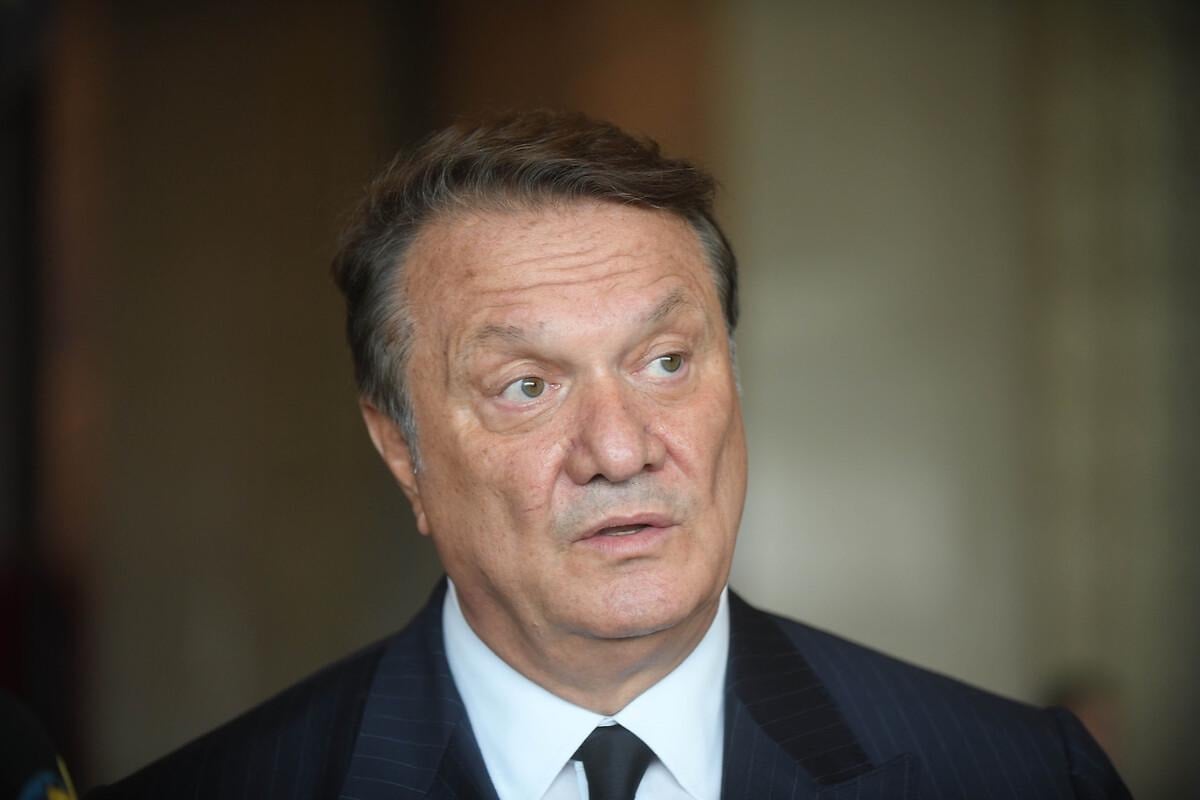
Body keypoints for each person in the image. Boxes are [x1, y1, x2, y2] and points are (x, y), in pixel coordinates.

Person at [88, 111, 1129, 799]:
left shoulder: (1022, 775)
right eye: (528, 386)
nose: (622, 449)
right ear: (401, 448)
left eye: (666, 361)